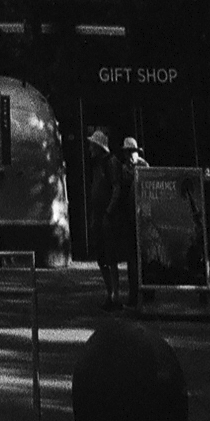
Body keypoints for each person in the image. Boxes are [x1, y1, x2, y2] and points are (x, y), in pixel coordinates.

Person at [84, 129, 121, 308]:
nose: (90, 148)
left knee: (110, 256)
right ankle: (109, 292)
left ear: (99, 146)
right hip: (99, 214)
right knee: (101, 256)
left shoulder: (109, 163)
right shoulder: (97, 164)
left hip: (107, 216)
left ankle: (115, 295)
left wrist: (109, 211)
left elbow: (116, 188)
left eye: (92, 145)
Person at [113, 136, 143, 309]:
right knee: (132, 259)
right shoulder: (123, 169)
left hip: (143, 217)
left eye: (132, 152)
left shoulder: (144, 167)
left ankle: (146, 293)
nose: (129, 155)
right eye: (127, 152)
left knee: (144, 257)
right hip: (129, 217)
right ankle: (134, 295)